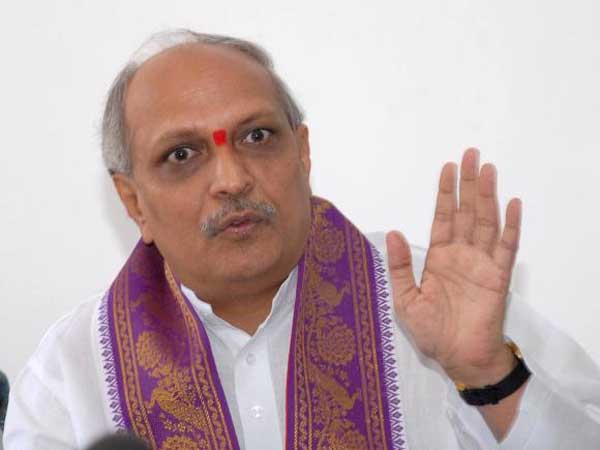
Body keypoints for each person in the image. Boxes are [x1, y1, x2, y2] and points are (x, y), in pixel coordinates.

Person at [3, 29, 600, 450]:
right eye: (182, 155)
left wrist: (489, 373)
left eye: (257, 136)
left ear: (304, 153)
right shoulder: (72, 372)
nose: (232, 179)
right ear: (134, 202)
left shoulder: (435, 302)